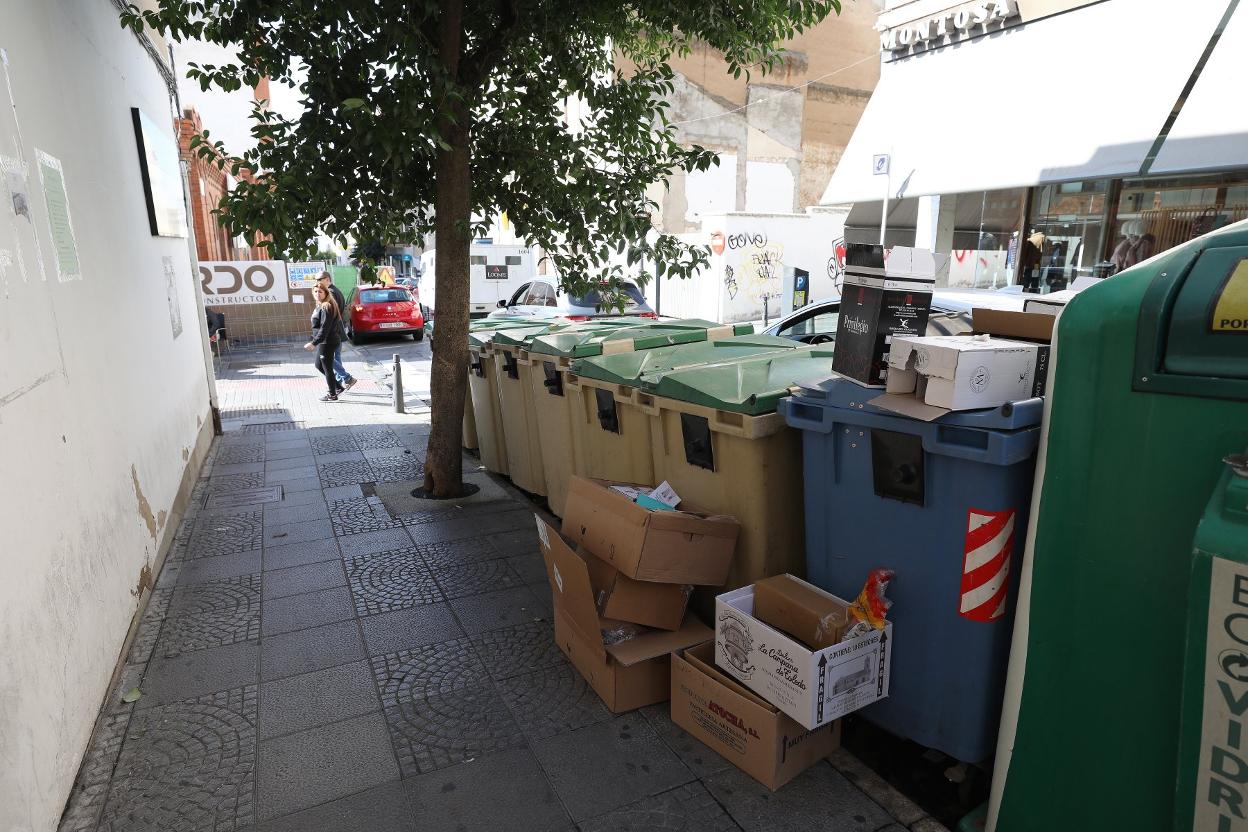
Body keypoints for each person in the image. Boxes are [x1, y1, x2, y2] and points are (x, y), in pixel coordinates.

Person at [315, 272, 357, 392]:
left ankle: (346, 378)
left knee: (329, 358)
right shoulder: (335, 290)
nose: (317, 282)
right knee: (335, 358)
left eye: (319, 279)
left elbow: (330, 315)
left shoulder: (331, 293)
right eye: (316, 280)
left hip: (333, 332)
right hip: (337, 330)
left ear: (327, 279)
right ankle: (339, 381)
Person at [306, 285, 344, 401]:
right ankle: (338, 387)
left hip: (328, 341)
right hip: (325, 341)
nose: (318, 294)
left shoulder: (326, 306)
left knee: (327, 368)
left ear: (326, 293)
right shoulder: (321, 305)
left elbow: (324, 328)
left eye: (320, 292)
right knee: (319, 365)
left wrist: (314, 342)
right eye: (316, 291)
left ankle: (332, 394)